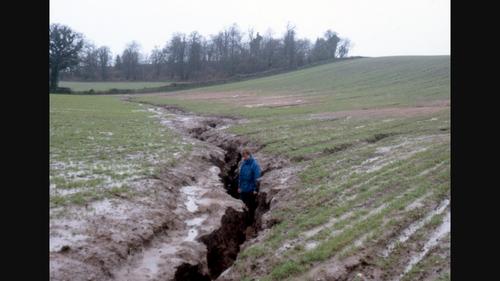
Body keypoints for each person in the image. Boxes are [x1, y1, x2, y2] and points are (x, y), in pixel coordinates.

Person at [238, 148, 261, 222]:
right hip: (243, 190)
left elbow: (256, 178)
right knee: (242, 206)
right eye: (243, 156)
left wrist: (255, 189)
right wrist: (239, 187)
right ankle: (243, 222)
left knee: (250, 207)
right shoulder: (243, 164)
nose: (244, 158)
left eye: (245, 156)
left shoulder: (255, 165)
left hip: (250, 190)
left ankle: (250, 222)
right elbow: (240, 176)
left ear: (249, 155)